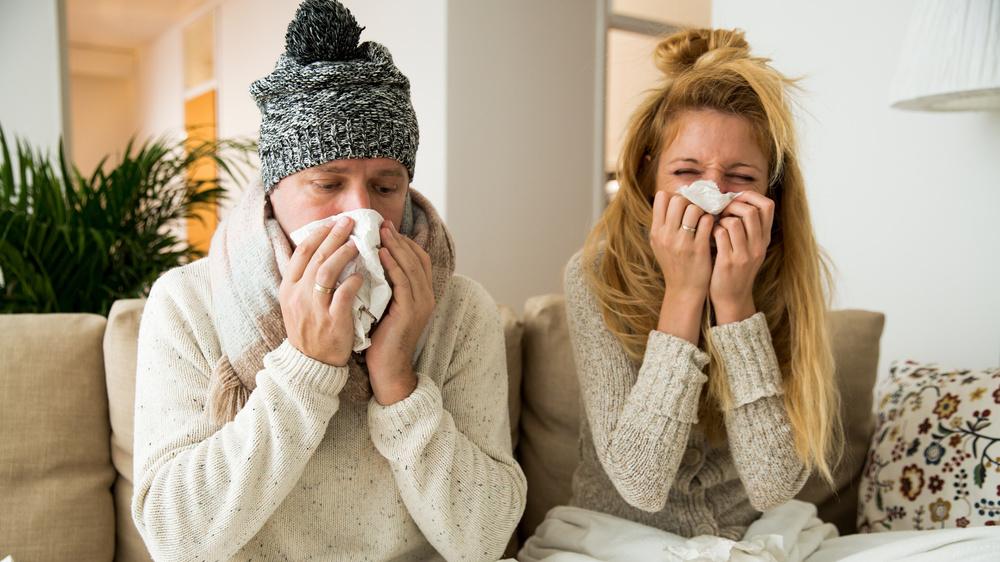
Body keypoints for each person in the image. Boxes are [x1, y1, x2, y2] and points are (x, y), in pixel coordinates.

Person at [130, 1, 526, 560]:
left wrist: (397, 381)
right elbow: (174, 538)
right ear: (274, 192)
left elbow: (485, 539)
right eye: (328, 183)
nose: (359, 214)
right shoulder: (187, 304)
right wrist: (306, 369)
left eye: (386, 187)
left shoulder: (461, 309)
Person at [562, 28, 840, 541]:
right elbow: (640, 482)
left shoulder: (792, 276)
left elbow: (774, 486)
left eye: (740, 177)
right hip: (619, 538)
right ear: (648, 176)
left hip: (752, 538)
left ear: (771, 191)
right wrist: (684, 294)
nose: (711, 194)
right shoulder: (597, 271)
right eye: (687, 170)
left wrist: (735, 304)